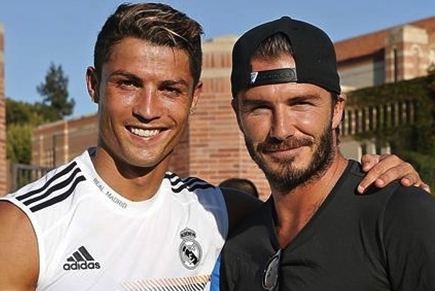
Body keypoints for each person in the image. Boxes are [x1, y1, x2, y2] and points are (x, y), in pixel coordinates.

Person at [0, 3, 428, 290]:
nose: (147, 110)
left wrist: (401, 189)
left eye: (170, 88)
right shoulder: (24, 229)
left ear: (195, 97)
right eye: (128, 84)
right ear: (94, 85)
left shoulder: (220, 212)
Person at [220, 16, 435, 291]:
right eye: (259, 108)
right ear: (238, 115)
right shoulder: (239, 243)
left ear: (336, 110)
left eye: (301, 103)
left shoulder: (399, 216)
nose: (281, 130)